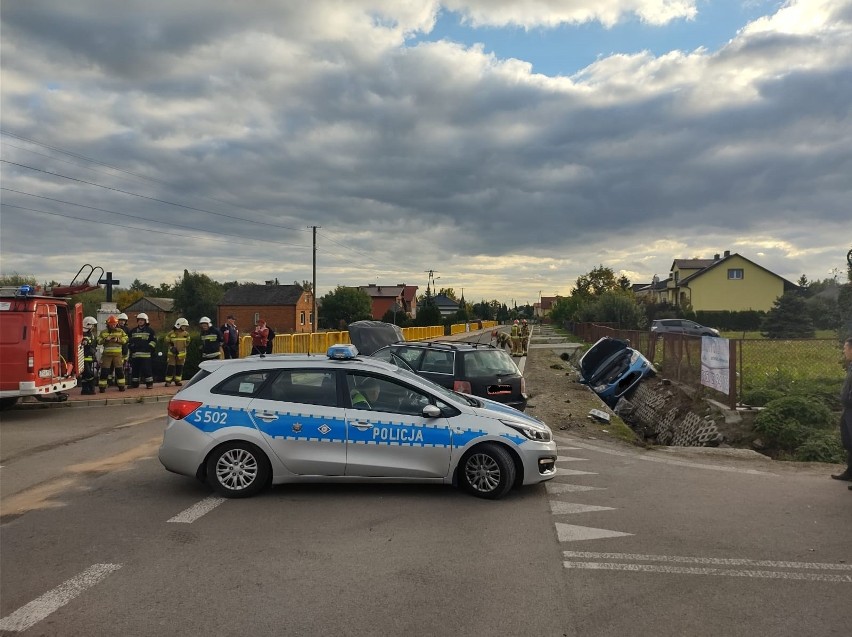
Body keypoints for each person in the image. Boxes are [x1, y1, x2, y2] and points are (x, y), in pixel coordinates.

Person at [831, 336, 852, 485]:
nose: (844, 350)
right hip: (848, 409)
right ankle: (850, 471)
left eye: (845, 348)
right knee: (848, 441)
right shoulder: (851, 365)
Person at [97, 315, 128, 392]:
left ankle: (121, 387)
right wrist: (105, 339)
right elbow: (98, 341)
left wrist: (118, 340)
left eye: (114, 324)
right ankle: (102, 387)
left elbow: (126, 339)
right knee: (104, 371)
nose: (113, 326)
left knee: (119, 371)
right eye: (111, 324)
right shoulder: (103, 332)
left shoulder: (120, 331)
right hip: (107, 355)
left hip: (117, 355)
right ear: (108, 324)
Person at [129, 312, 157, 388]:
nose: (140, 321)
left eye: (142, 320)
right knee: (135, 370)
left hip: (146, 355)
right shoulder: (133, 331)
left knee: (147, 369)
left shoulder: (150, 331)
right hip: (135, 355)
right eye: (139, 320)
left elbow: (153, 341)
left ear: (146, 321)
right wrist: (131, 347)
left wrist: (148, 348)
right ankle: (135, 384)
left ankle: (149, 384)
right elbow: (129, 341)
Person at [164, 318, 190, 386]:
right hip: (172, 354)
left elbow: (188, 342)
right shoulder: (171, 333)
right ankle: (168, 381)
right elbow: (166, 341)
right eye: (183, 326)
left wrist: (183, 348)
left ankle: (178, 380)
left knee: (179, 367)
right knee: (170, 367)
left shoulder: (186, 334)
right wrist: (171, 347)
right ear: (179, 325)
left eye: (185, 326)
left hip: (181, 354)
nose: (185, 327)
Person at [80, 316, 98, 395]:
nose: (93, 327)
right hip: (85, 357)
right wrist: (85, 342)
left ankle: (84, 390)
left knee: (85, 375)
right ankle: (91, 389)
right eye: (92, 325)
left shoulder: (90, 333)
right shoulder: (84, 333)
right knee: (89, 374)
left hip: (90, 357)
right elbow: (85, 340)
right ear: (88, 325)